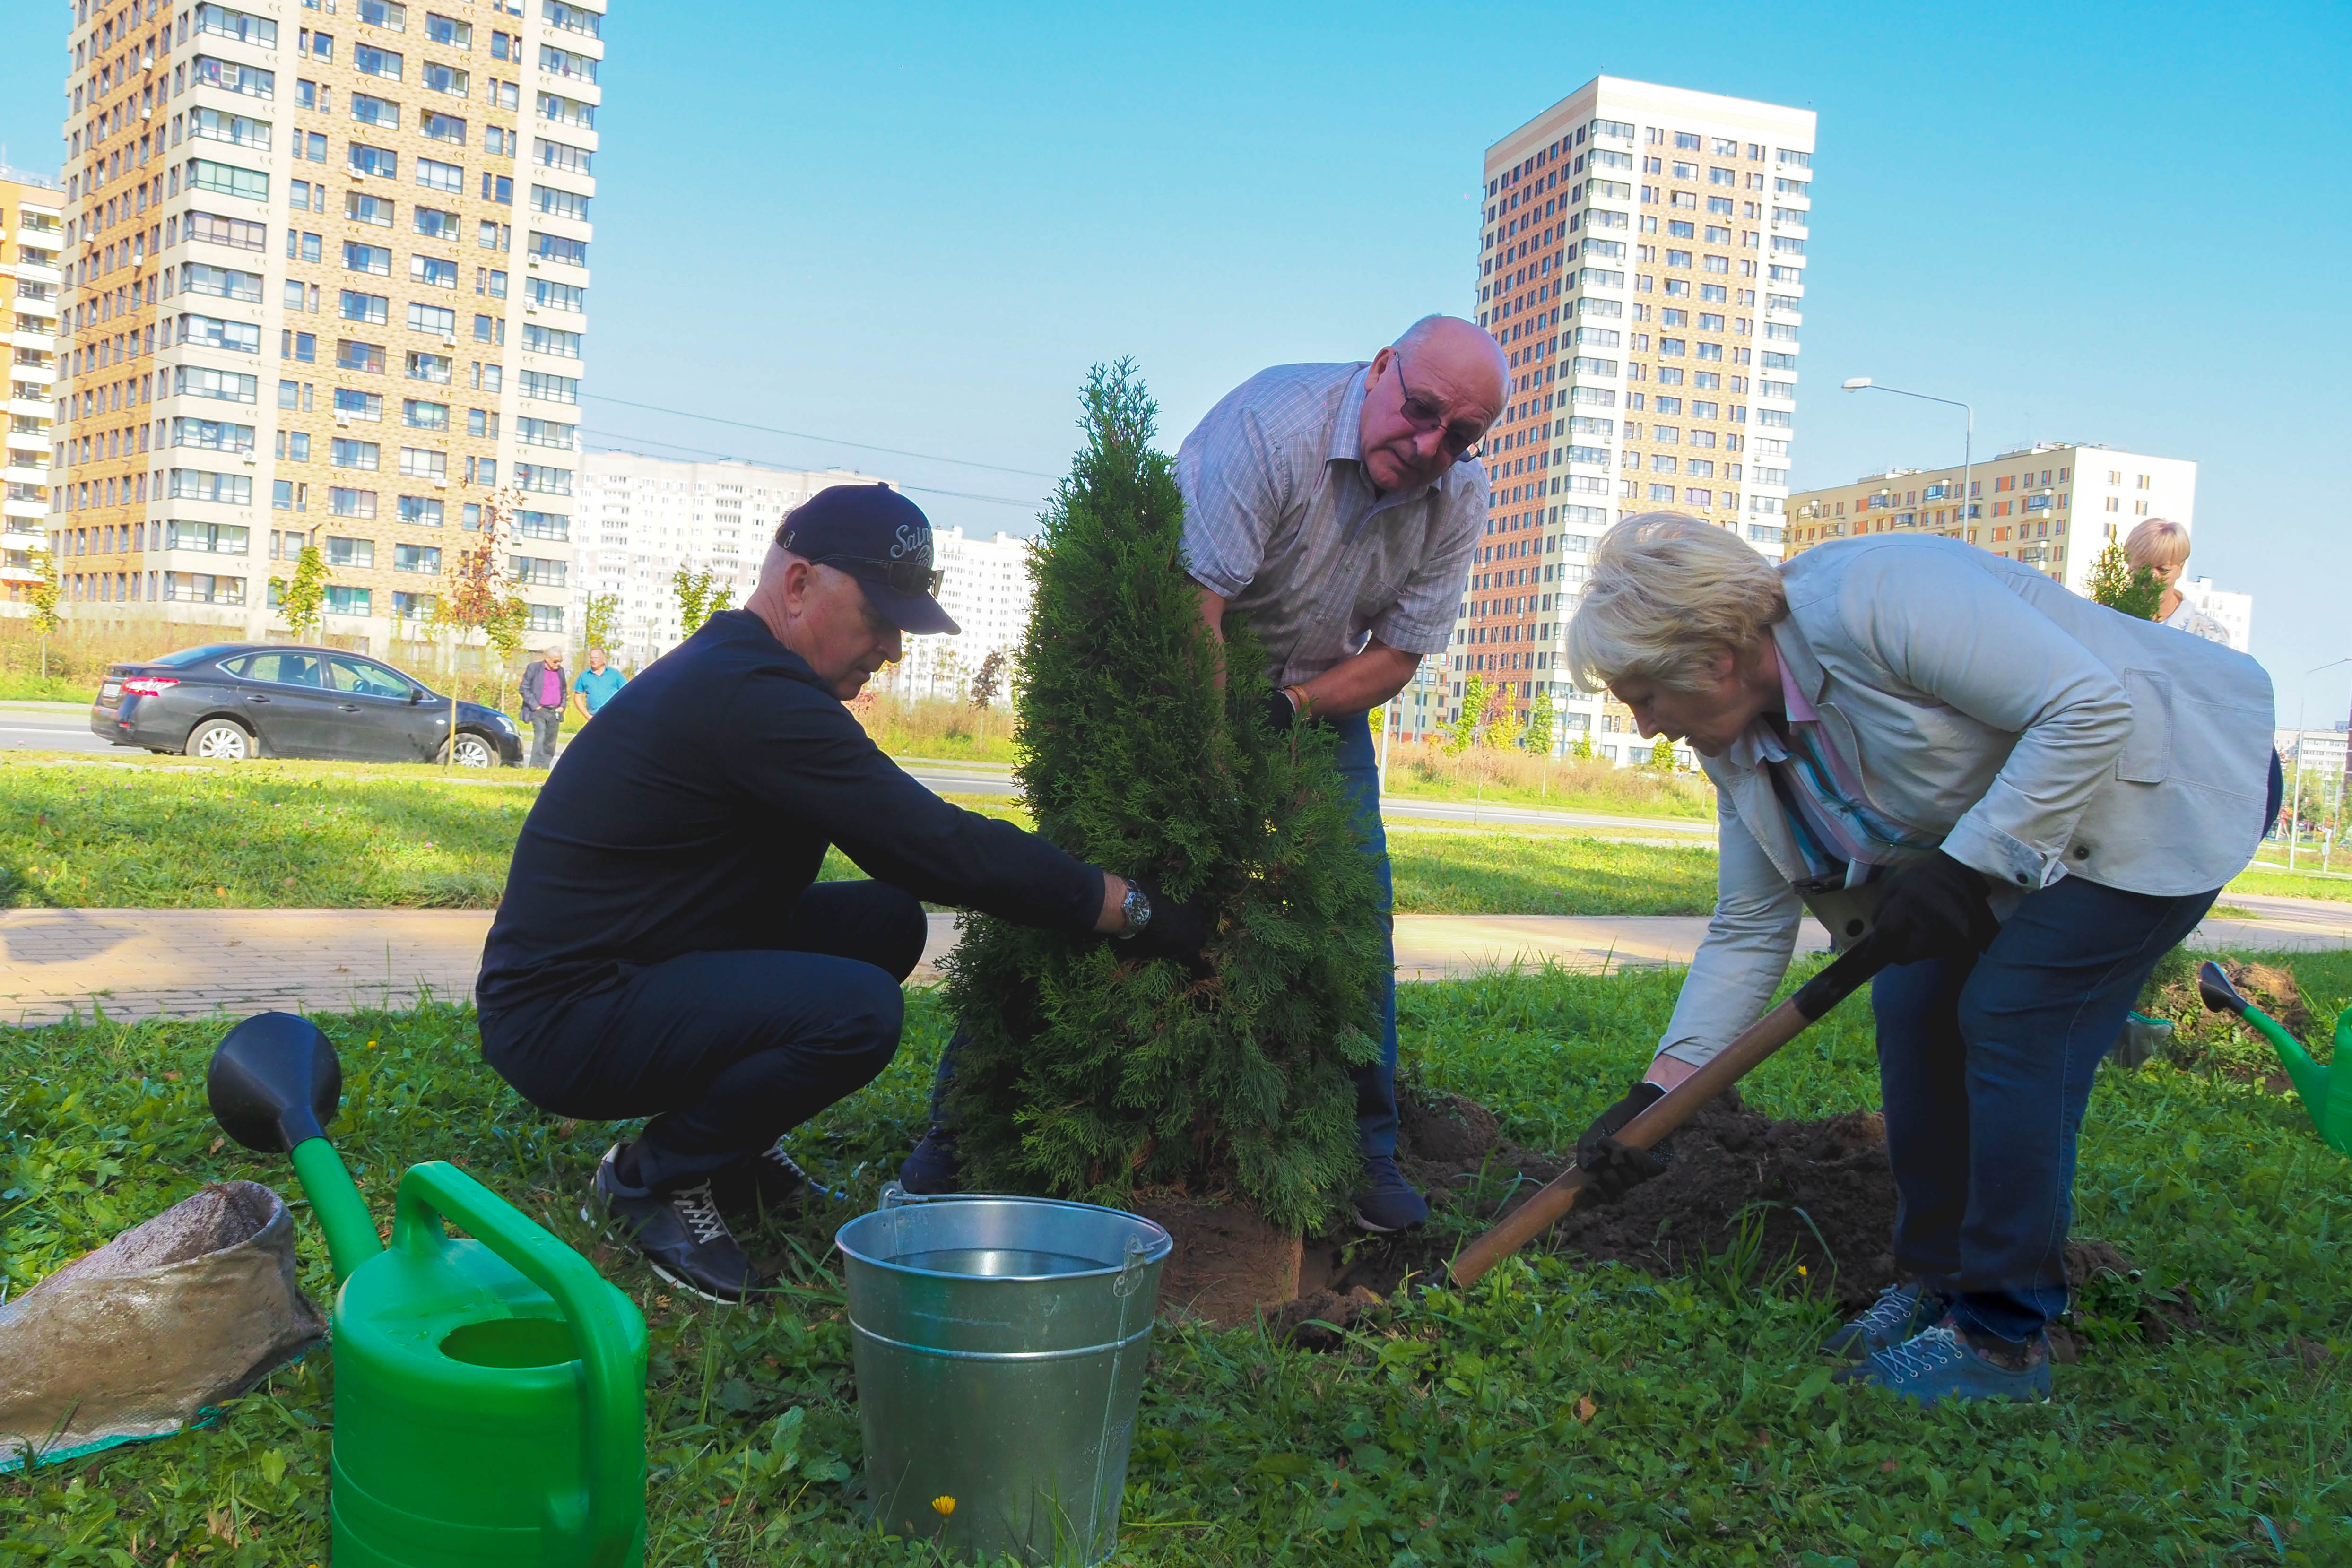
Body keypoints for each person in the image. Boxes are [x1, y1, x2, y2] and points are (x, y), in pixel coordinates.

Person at [1563, 513, 2275, 1404]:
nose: (1645, 725)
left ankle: (2002, 1339)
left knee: (2012, 1014)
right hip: (2029, 839)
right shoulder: (1735, 743)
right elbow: (1749, 925)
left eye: (1643, 696)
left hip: (2163, 789)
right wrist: (1659, 1094)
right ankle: (1938, 1283)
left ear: (1709, 657)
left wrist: (1968, 864)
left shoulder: (1876, 599)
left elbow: (2090, 708)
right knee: (1911, 1002)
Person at [476, 483, 1205, 1302]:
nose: (892, 648)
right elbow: (935, 846)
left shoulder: (751, 678)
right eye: (881, 617)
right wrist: (1127, 907)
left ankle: (734, 1152)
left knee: (885, 923)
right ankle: (651, 1179)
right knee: (855, 1010)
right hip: (563, 1013)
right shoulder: (751, 698)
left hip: (649, 960)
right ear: (799, 584)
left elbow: (908, 856)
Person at [900, 314, 1506, 1232]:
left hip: (1314, 700)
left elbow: (1398, 657)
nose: (1430, 447)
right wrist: (1217, 772)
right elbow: (1197, 608)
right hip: (1177, 669)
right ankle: (956, 1129)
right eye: (1419, 411)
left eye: (1459, 438)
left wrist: (1290, 712)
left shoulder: (1459, 496)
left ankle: (1369, 1150)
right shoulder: (1272, 426)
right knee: (1074, 887)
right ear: (1381, 368)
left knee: (1357, 907)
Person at [2123, 517, 2232, 644]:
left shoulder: (2208, 636)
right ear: (2128, 563)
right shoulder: (2106, 619)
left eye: (2163, 570)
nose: (2152, 577)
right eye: (2142, 568)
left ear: (2181, 567)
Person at [519, 646, 568, 768]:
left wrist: (562, 706)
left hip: (555, 711)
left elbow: (564, 690)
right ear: (547, 659)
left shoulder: (560, 671)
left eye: (560, 661)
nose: (558, 664)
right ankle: (535, 766)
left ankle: (545, 767)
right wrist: (535, 706)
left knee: (551, 741)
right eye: (556, 661)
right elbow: (524, 688)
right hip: (539, 711)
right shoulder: (534, 668)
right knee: (540, 736)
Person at [571, 646, 626, 721]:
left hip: (613, 716)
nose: (593, 660)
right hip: (594, 718)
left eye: (596, 658)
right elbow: (577, 697)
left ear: (604, 659)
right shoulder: (584, 676)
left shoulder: (615, 674)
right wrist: (587, 716)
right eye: (591, 658)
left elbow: (627, 693)